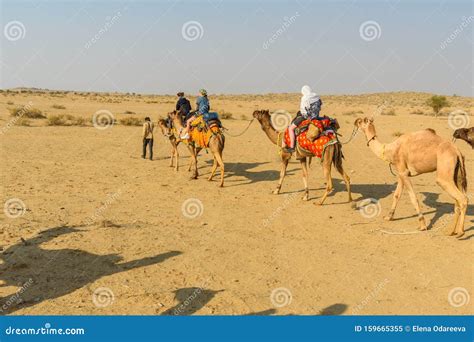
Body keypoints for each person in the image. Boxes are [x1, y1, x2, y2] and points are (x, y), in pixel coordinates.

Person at [284, 85, 323, 153]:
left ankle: (292, 147)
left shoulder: (304, 98)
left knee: (291, 128)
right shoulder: (316, 96)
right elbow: (320, 104)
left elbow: (303, 110)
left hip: (307, 117)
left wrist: (304, 114)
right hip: (316, 116)